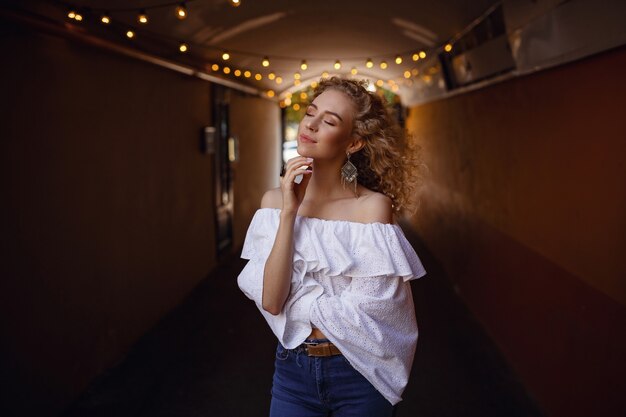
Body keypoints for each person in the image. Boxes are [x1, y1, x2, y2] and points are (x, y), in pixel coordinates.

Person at [237, 77, 427, 416]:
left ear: (353, 143)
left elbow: (368, 315)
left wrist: (300, 301)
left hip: (359, 372)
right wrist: (289, 214)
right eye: (311, 112)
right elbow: (271, 300)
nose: (310, 123)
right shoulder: (273, 203)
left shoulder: (373, 208)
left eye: (329, 121)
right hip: (292, 371)